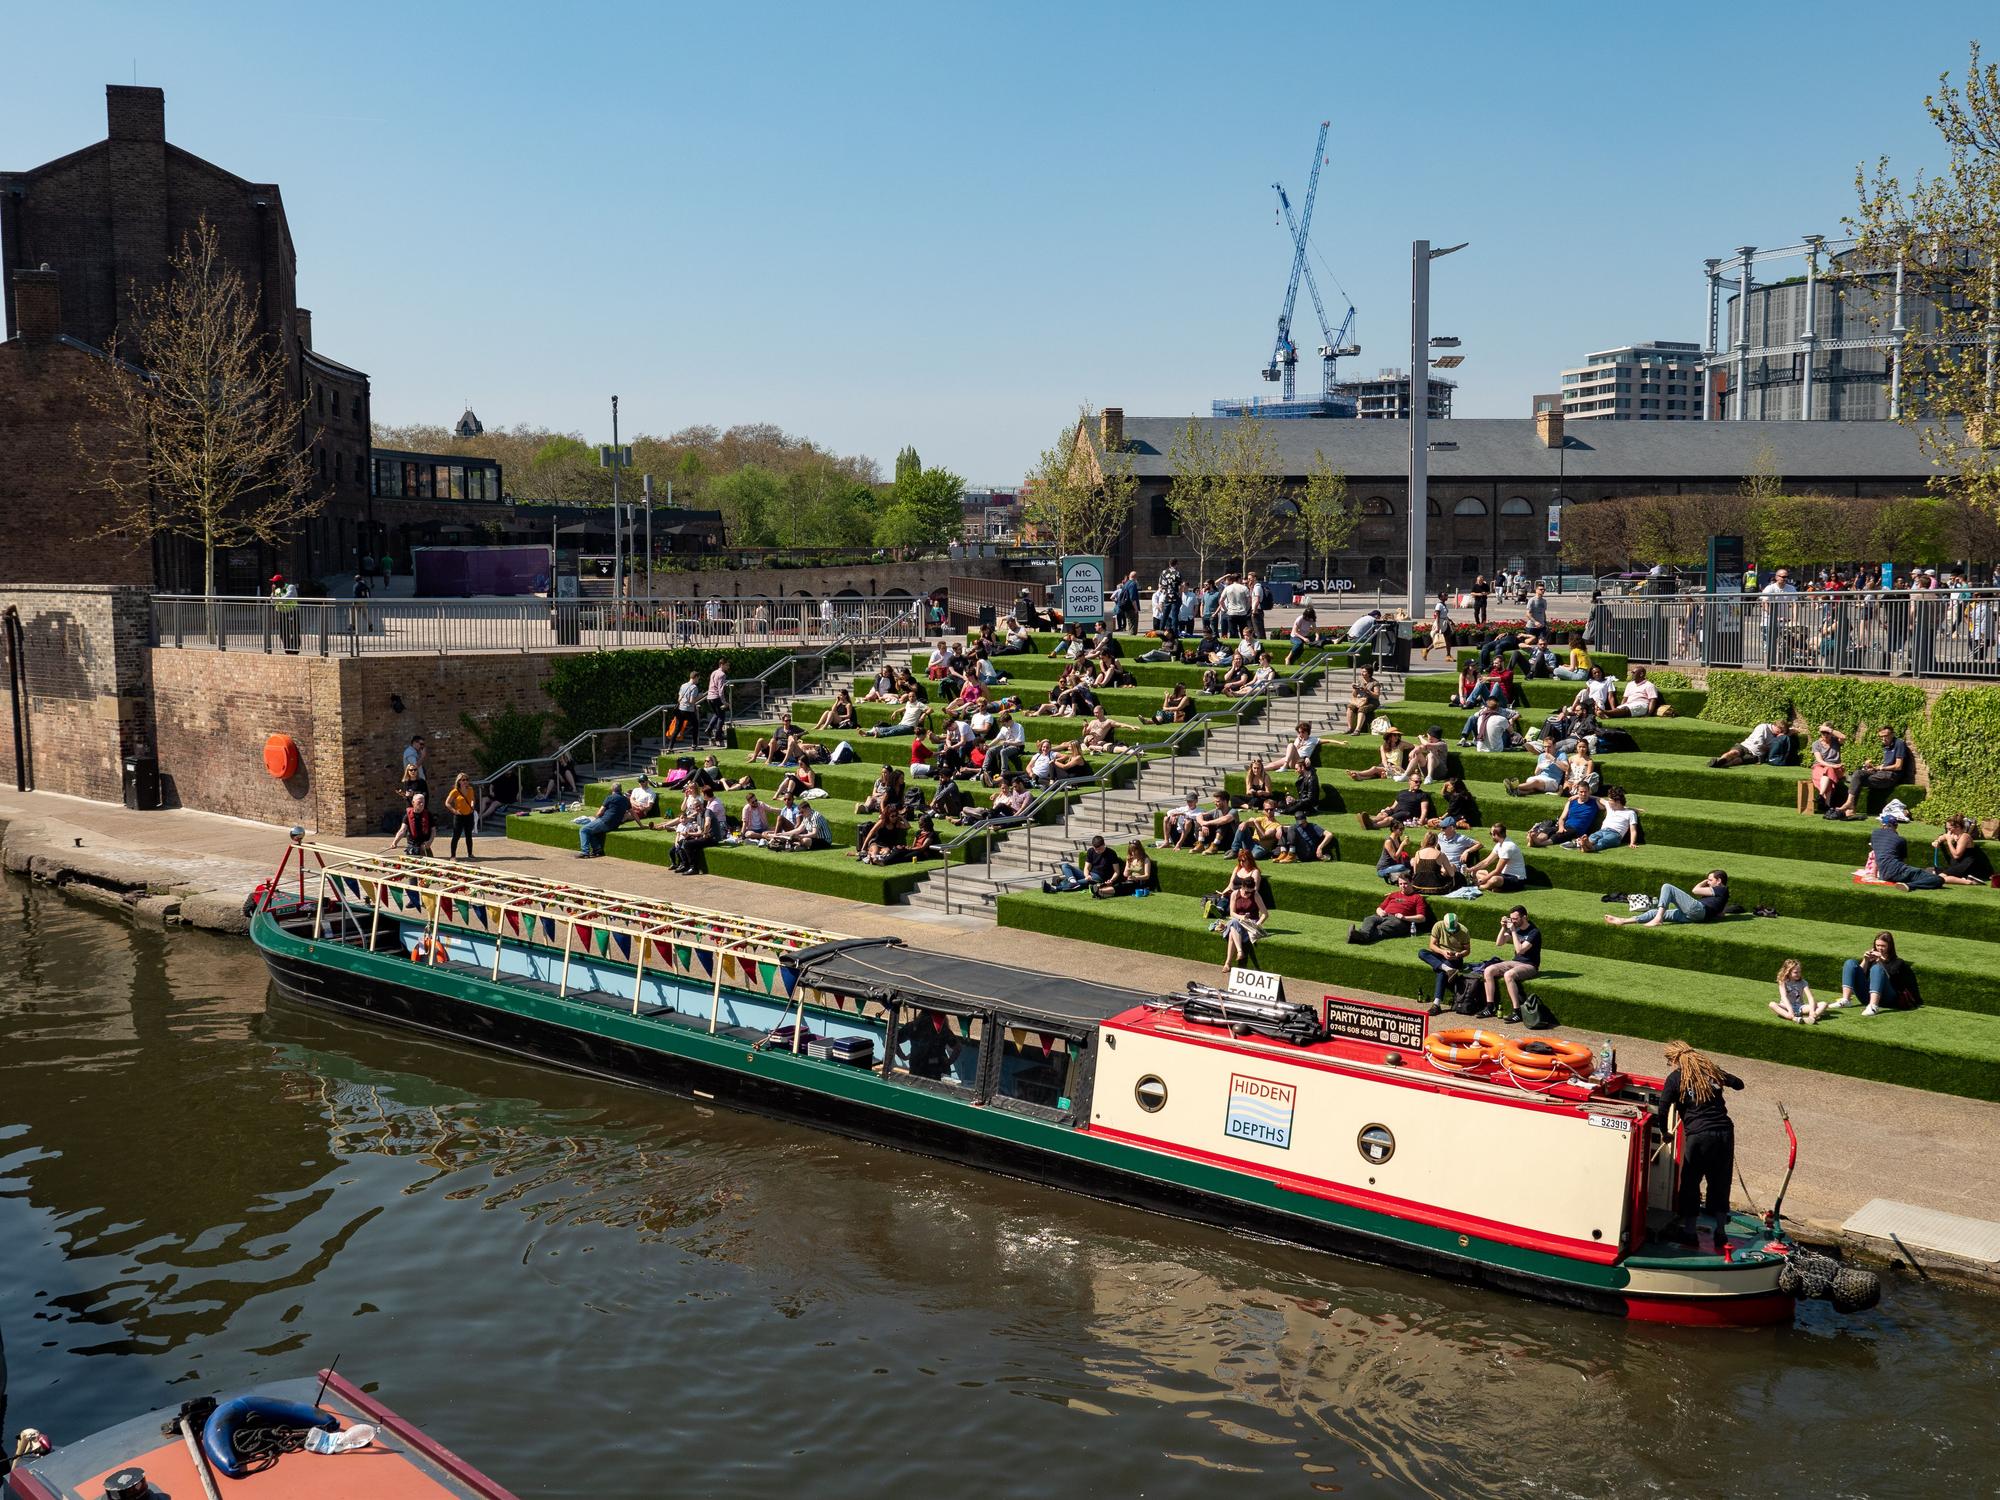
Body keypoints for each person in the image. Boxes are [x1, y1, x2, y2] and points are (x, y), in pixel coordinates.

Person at [1659, 1040, 1744, 1249]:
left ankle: (1689, 1233)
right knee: (1720, 1180)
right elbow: (1739, 1084)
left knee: (1690, 1182)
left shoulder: (1675, 1078)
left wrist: (1665, 1133)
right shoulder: (1712, 1071)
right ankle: (1721, 1233)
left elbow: (1663, 1107)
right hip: (1725, 1132)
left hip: (1699, 1135)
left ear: (1674, 1059)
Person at [1829, 724, 1913, 820]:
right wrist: (1873, 768)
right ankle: (1850, 806)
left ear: (1892, 734)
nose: (1883, 739)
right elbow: (1885, 765)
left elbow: (1898, 766)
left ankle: (1850, 806)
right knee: (1858, 773)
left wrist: (1880, 768)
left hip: (1891, 776)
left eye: (1886, 736)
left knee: (1857, 780)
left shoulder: (1899, 743)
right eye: (1881, 736)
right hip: (1881, 773)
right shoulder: (1886, 745)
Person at [1604, 870, 1730, 927]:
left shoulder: (1722, 889)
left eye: (1710, 880)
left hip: (1698, 910)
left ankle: (1658, 919)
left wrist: (1703, 881)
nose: (1708, 882)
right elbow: (1721, 913)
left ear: (1719, 881)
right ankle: (1623, 921)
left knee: (1667, 887)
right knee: (1653, 912)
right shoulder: (1721, 894)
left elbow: (1695, 890)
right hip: (1697, 916)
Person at [1838, 931, 1922, 1015]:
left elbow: (1890, 979)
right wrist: (1866, 960)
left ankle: (1873, 1006)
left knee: (1876, 969)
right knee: (1850, 963)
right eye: (1877, 945)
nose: (1879, 948)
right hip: (1867, 996)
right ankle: (1846, 1000)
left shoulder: (1898, 962)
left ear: (1890, 946)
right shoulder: (1872, 958)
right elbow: (1859, 974)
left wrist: (1880, 962)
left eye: (1883, 946)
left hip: (1887, 998)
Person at [1217, 850, 1268, 969]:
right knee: (1234, 922)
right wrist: (1224, 893)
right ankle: (1238, 953)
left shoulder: (1254, 892)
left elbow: (1265, 913)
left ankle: (1228, 963)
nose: (1241, 862)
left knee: (1232, 929)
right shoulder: (1236, 893)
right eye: (1240, 860)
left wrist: (1257, 925)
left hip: (1250, 922)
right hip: (1239, 919)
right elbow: (1232, 912)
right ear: (1242, 887)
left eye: (1243, 860)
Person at [1868, 812, 1944, 890]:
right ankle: (1910, 885)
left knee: (1919, 872)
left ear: (1882, 825)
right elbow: (1901, 860)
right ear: (1896, 826)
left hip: (1883, 874)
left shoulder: (1875, 834)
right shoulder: (1900, 840)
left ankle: (1910, 882)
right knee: (1938, 879)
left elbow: (1875, 855)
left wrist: (1874, 875)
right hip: (1897, 871)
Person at [1349, 875, 1431, 944]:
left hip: (1400, 921)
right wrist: (1380, 912)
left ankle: (1359, 936)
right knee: (1369, 919)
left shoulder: (1417, 898)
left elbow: (1422, 918)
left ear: (1411, 883)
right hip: (1384, 915)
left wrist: (1404, 918)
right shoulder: (1393, 894)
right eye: (1400, 884)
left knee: (1381, 928)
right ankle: (1362, 937)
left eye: (1405, 883)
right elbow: (1379, 908)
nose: (1403, 886)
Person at [1419, 911, 1473, 1007]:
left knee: (1441, 972)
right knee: (1422, 952)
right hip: (1440, 954)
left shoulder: (1464, 931)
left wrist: (1458, 954)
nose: (1451, 931)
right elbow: (1432, 945)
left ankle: (1436, 1003)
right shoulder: (1438, 926)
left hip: (1455, 958)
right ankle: (1448, 969)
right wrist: (1443, 952)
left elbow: (1467, 950)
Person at [897, 1009, 963, 1081]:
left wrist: (904, 1056)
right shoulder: (942, 1030)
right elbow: (958, 1047)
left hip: (921, 1070)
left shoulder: (912, 1027)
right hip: (935, 1071)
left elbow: (893, 1039)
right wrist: (949, 1061)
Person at [1568, 786, 1639, 852]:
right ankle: (1587, 844)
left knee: (1604, 841)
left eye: (1610, 800)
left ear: (1617, 802)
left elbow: (1633, 830)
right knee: (1593, 836)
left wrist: (1632, 843)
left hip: (1615, 834)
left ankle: (1590, 847)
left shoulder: (1630, 813)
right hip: (1602, 830)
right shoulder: (1609, 806)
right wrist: (1578, 796)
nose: (1608, 801)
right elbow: (1598, 798)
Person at [1798, 723, 1848, 814]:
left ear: (1831, 733)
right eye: (1823, 732)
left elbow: (1844, 737)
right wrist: (1832, 766)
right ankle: (1826, 804)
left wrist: (1830, 730)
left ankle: (1821, 796)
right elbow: (1819, 760)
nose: (1825, 735)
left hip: (1836, 768)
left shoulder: (1836, 741)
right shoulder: (1816, 744)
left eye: (1827, 732)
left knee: (1829, 771)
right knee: (1828, 772)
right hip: (1821, 766)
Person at [1356, 772, 1431, 831]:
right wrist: (1388, 809)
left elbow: (1424, 810)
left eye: (1420, 782)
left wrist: (1421, 821)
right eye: (1416, 781)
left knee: (1389, 819)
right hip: (1396, 810)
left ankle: (1373, 826)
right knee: (1383, 814)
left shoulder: (1422, 795)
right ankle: (1370, 820)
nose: (1418, 784)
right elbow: (1394, 806)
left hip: (1406, 813)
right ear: (1410, 781)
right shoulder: (1402, 792)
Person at [1045, 834, 1118, 893]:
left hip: (1099, 877)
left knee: (1076, 882)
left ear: (1103, 844)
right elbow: (1087, 867)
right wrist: (1087, 875)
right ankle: (1072, 881)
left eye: (1099, 849)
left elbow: (1117, 871)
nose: (1097, 851)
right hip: (1089, 875)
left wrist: (1111, 880)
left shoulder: (1111, 853)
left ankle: (1055, 888)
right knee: (1065, 865)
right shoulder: (1091, 851)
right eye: (1095, 849)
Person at [1710, 718, 1793, 768]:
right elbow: (1759, 744)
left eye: (1782, 732)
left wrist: (1787, 734)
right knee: (1734, 753)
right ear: (1775, 726)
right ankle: (1720, 761)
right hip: (1745, 746)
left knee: (1738, 761)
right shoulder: (1763, 727)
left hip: (1755, 755)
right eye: (1780, 731)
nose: (1780, 733)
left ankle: (1721, 765)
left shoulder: (1777, 736)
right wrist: (1770, 746)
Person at [1933, 814, 1992, 885]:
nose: (1948, 831)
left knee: (1940, 878)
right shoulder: (1952, 834)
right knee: (1935, 873)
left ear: (1957, 827)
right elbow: (1942, 837)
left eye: (1949, 829)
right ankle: (1965, 878)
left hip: (1968, 865)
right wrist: (1937, 841)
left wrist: (1949, 841)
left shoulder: (1965, 837)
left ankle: (1970, 882)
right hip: (1959, 864)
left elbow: (1956, 855)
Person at [576, 784, 629, 858]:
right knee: (591, 830)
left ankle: (585, 852)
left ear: (612, 789)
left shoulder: (610, 798)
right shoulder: (626, 800)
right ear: (621, 790)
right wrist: (641, 825)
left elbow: (600, 812)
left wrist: (594, 818)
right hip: (614, 825)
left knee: (583, 830)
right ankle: (597, 850)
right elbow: (633, 813)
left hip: (605, 822)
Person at [1473, 823, 1527, 893]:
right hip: (1503, 876)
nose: (1491, 836)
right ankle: (1496, 887)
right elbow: (1487, 861)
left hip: (1517, 879)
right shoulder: (1499, 844)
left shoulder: (1508, 847)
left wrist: (1483, 880)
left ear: (1494, 834)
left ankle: (1481, 887)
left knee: (1494, 880)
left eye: (1491, 833)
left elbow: (1497, 871)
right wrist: (1471, 869)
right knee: (1479, 872)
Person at [1771, 958, 1826, 1025]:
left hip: (1800, 1007)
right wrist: (1790, 1011)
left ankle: (1811, 1018)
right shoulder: (1782, 981)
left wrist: (1812, 1011)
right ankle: (1794, 1018)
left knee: (1824, 1004)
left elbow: (1810, 997)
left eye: (1800, 972)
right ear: (1788, 972)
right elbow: (1784, 997)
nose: (1798, 974)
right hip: (1786, 1006)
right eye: (1795, 972)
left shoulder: (1803, 982)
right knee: (1772, 1004)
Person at [392, 791, 436, 858]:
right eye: (419, 802)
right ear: (413, 802)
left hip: (425, 846)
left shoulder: (428, 814)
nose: (421, 804)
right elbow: (402, 830)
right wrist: (395, 842)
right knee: (412, 867)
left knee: (430, 867)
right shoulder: (407, 816)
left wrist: (430, 842)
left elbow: (433, 830)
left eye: (423, 802)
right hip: (412, 847)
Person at [700, 658, 731, 744]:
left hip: (710, 697)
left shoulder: (714, 672)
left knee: (717, 714)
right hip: (716, 697)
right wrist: (724, 702)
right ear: (722, 664)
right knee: (721, 716)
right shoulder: (722, 674)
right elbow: (720, 689)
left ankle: (709, 730)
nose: (728, 667)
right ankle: (718, 736)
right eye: (727, 665)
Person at [1346, 665, 1383, 734]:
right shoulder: (1360, 681)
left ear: (1369, 673)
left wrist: (1367, 690)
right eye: (1362, 671)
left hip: (1372, 702)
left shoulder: (1375, 683)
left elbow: (1376, 696)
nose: (1362, 673)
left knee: (1362, 709)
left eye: (1364, 671)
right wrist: (1355, 689)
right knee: (1350, 707)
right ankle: (1350, 728)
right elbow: (1354, 695)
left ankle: (1357, 730)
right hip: (1360, 701)